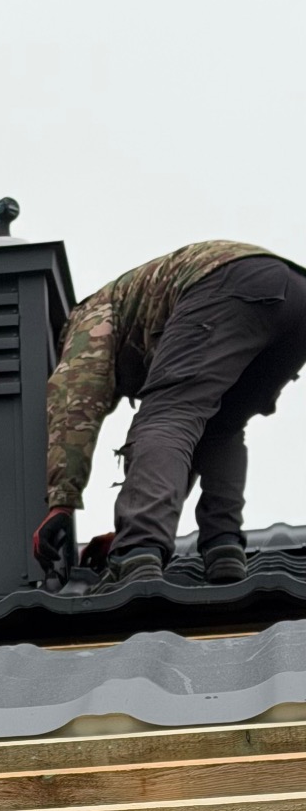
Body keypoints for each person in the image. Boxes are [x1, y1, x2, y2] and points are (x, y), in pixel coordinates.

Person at [32, 240, 306, 587]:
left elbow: (74, 404)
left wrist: (61, 504)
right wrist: (126, 528)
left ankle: (139, 553)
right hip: (296, 299)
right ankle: (223, 548)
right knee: (222, 427)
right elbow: (182, 446)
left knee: (165, 416)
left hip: (222, 282)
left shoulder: (88, 318)